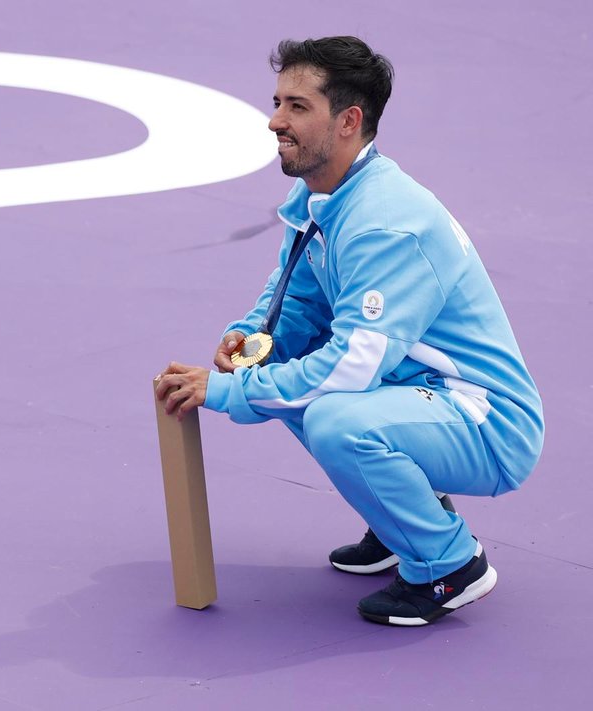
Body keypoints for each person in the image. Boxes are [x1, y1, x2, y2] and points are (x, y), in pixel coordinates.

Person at [154, 36, 543, 626]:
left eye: (297, 107)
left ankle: (448, 565)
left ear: (348, 121)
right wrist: (250, 340)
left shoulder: (385, 221)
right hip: (418, 393)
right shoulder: (325, 194)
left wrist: (227, 392)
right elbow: (298, 300)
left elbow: (352, 368)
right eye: (278, 101)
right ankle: (403, 521)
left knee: (334, 417)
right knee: (279, 372)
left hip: (489, 424)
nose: (274, 120)